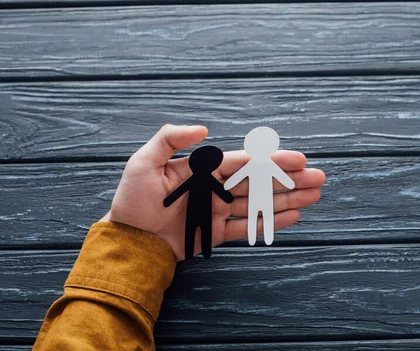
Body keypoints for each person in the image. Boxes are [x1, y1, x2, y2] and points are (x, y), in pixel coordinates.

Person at [33, 124, 326, 350]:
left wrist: (134, 241)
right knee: (213, 226)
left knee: (214, 226)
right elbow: (211, 188)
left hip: (197, 214)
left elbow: (211, 188)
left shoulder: (210, 175)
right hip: (201, 209)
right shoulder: (207, 177)